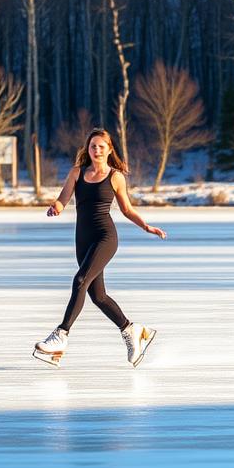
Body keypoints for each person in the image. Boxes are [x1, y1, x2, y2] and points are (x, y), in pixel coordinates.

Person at [33, 129, 166, 367]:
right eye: (93, 146)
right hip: (82, 239)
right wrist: (55, 207)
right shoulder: (77, 173)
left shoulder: (115, 177)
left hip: (105, 237)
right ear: (88, 148)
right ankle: (132, 331)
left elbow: (126, 209)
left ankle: (61, 335)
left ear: (109, 149)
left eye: (101, 147)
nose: (97, 150)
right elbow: (63, 199)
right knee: (98, 296)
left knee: (80, 280)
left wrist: (146, 226)